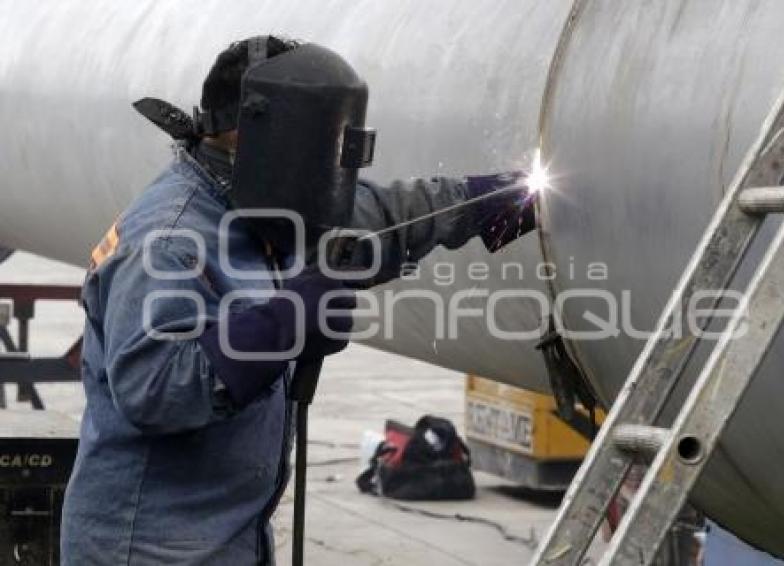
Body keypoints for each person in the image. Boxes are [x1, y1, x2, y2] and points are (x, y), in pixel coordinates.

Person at [61, 35, 536, 565]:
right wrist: (282, 325)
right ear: (257, 137)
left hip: (228, 539)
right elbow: (154, 390)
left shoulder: (275, 205)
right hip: (145, 549)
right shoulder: (170, 240)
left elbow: (383, 218)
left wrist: (485, 201)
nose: (324, 167)